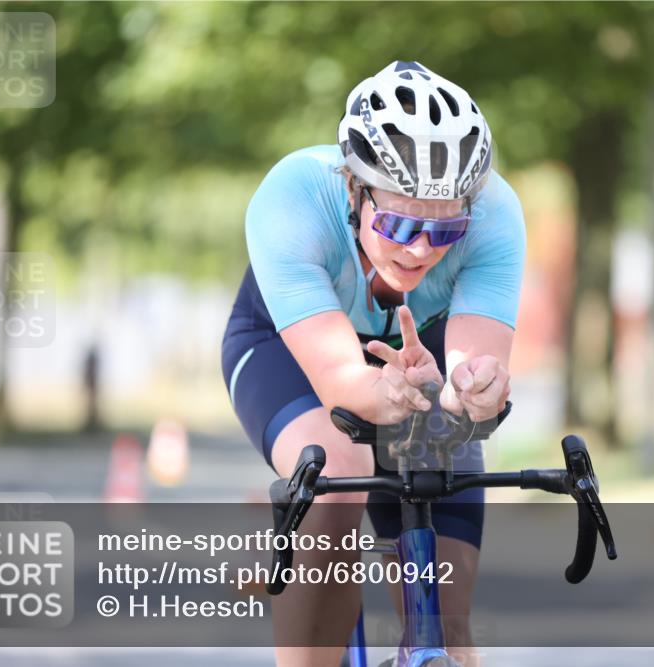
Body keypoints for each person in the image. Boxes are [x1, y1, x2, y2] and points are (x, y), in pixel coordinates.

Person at [221, 60, 526, 666]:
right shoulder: (292, 199)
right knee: (340, 475)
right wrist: (385, 398)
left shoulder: (495, 215)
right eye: (398, 222)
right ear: (355, 192)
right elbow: (341, 381)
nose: (419, 249)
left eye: (444, 231)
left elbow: (473, 366)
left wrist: (476, 390)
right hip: (289, 349)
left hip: (419, 357)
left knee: (447, 613)